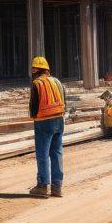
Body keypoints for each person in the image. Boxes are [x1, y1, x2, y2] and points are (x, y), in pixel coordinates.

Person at [28, 56, 66, 198]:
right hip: (59, 119)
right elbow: (64, 100)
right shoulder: (56, 81)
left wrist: (35, 117)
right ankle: (57, 187)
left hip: (43, 122)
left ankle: (43, 185)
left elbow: (34, 105)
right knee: (56, 153)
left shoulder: (36, 83)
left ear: (36, 70)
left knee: (42, 154)